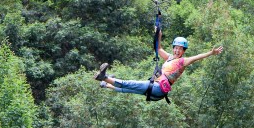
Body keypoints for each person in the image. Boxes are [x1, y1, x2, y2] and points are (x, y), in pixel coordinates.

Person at [94, 31, 223, 101]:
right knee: (129, 89)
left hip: (159, 89)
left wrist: (211, 53)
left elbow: (196, 58)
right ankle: (106, 84)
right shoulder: (169, 58)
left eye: (180, 49)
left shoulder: (183, 61)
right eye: (176, 48)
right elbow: (158, 48)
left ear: (184, 51)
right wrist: (159, 35)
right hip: (156, 90)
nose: (177, 51)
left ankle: (103, 77)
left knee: (130, 84)